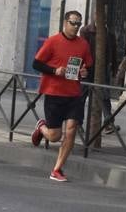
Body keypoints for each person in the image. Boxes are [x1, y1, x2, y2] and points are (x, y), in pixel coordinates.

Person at [30, 10, 93, 183]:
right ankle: (42, 127)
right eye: (73, 23)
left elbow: (87, 66)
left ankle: (57, 169)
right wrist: (54, 70)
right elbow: (36, 63)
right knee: (54, 136)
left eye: (78, 24)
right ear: (65, 22)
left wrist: (84, 71)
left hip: (74, 93)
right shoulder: (53, 41)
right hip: (54, 92)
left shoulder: (83, 44)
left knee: (71, 130)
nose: (75, 27)